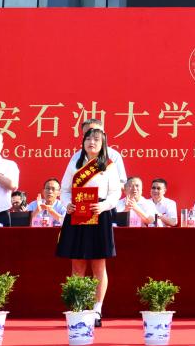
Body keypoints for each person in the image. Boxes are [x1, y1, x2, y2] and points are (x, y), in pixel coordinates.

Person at [56, 128, 122, 327]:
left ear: (103, 144)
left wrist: (104, 205)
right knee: (77, 264)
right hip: (77, 213)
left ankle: (96, 310)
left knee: (98, 264)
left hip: (99, 214)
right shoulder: (75, 162)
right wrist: (67, 203)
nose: (91, 142)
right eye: (88, 138)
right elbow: (64, 190)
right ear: (83, 142)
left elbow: (115, 193)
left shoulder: (108, 165)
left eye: (96, 139)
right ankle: (79, 307)